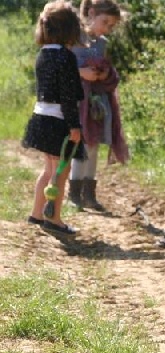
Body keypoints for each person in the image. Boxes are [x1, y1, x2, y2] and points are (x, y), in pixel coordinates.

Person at [22, 0, 87, 237]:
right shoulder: (66, 57)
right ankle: (55, 219)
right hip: (59, 120)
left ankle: (37, 214)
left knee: (49, 169)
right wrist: (74, 126)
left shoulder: (43, 54)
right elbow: (68, 97)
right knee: (61, 170)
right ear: (70, 29)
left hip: (41, 117)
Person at [68, 0, 129, 212]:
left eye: (111, 26)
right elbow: (62, 68)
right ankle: (74, 193)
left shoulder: (101, 43)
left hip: (96, 103)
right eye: (105, 22)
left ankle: (89, 194)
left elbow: (110, 73)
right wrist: (81, 73)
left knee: (93, 145)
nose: (107, 29)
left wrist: (104, 74)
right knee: (81, 145)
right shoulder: (74, 39)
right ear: (91, 13)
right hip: (77, 102)